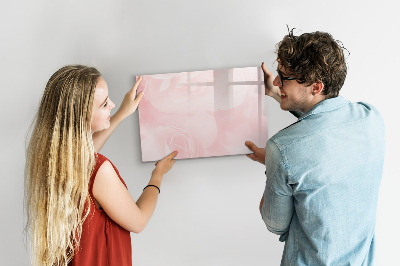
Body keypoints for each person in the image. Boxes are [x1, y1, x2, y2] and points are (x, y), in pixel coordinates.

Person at [245, 30, 385, 265]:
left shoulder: (282, 149)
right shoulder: (371, 118)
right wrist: (278, 94)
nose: (277, 81)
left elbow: (275, 224)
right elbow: (325, 123)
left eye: (284, 77)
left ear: (316, 87)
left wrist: (273, 163)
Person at [24, 65, 177, 266]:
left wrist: (122, 113)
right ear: (81, 117)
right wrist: (157, 175)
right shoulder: (99, 170)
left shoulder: (53, 159)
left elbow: (86, 156)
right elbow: (138, 221)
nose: (112, 104)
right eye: (105, 104)